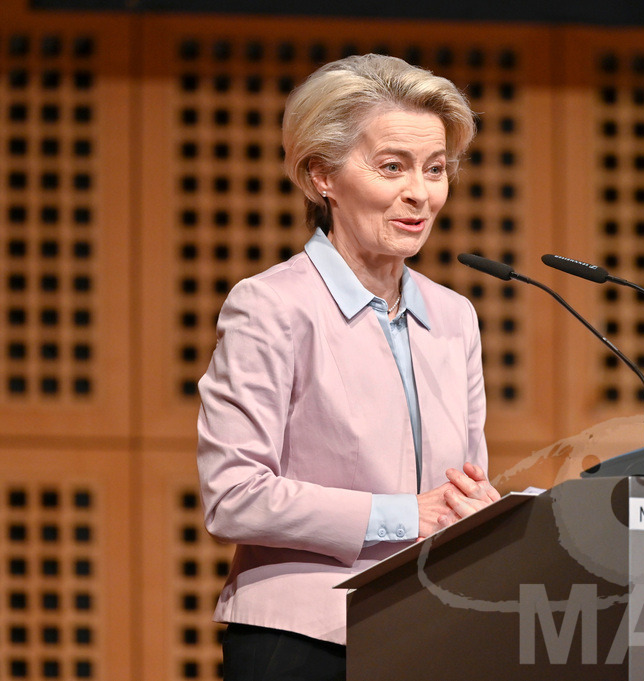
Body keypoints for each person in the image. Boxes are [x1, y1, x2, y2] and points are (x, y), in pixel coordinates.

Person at [197, 53, 500, 681]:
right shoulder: (272, 306)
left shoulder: (455, 317)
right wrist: (401, 513)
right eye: (393, 167)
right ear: (321, 177)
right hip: (306, 641)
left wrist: (486, 513)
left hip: (429, 637)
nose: (421, 192)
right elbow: (232, 496)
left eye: (436, 169)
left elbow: (460, 488)